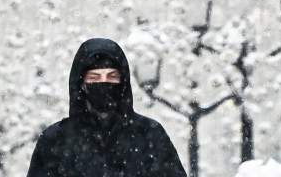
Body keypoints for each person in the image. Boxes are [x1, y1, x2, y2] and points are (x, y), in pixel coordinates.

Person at [26, 37, 187, 177]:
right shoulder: (56, 140)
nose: (103, 83)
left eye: (112, 76)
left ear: (122, 82)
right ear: (81, 84)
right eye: (94, 77)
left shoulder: (149, 134)